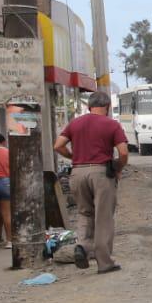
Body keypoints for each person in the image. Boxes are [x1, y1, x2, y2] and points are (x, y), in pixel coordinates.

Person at [55, 91, 129, 274]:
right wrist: (118, 168)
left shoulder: (75, 123)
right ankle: (104, 263)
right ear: (108, 107)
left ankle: (82, 246)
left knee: (85, 213)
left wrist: (74, 157)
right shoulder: (112, 125)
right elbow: (124, 152)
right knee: (103, 217)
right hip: (101, 173)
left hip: (77, 172)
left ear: (89, 106)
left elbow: (58, 145)